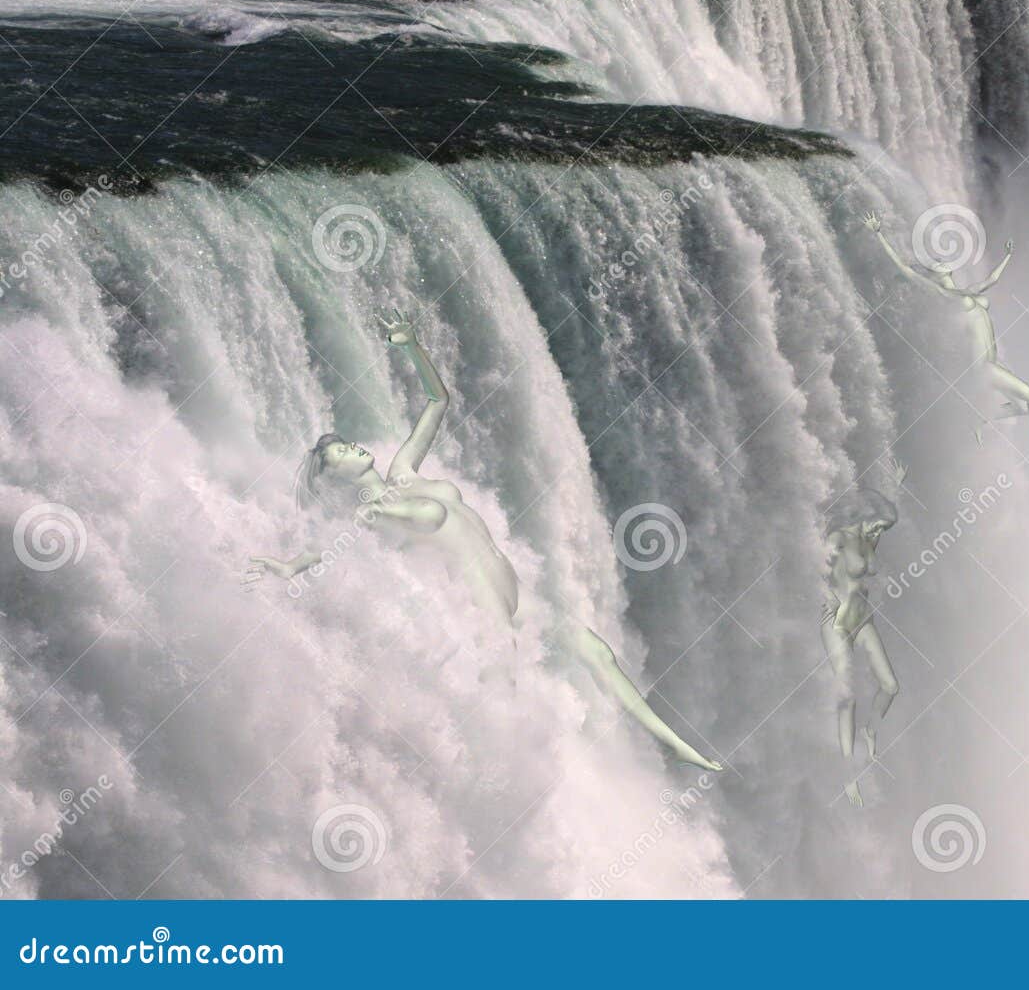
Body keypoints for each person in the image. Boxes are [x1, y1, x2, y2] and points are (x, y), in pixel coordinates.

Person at [244, 309, 723, 772]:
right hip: (490, 613)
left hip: (516, 596)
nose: (350, 446)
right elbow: (334, 546)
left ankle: (674, 744)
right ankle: (507, 807)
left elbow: (438, 402)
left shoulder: (404, 472)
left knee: (598, 652)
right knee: (509, 715)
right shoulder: (370, 513)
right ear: (336, 478)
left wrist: (413, 348)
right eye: (339, 452)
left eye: (345, 441)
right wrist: (290, 567)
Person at [862, 213, 1029, 472]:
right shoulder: (940, 293)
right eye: (935, 263)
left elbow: (992, 280)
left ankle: (978, 420)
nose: (941, 260)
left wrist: (1007, 255)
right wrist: (878, 234)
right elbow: (905, 271)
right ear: (932, 274)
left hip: (992, 362)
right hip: (981, 368)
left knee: (1020, 407)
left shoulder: (965, 292)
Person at [821, 468, 905, 807]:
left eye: (884, 527)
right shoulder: (839, 537)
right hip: (837, 621)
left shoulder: (871, 538)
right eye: (878, 524)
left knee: (890, 686)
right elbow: (814, 562)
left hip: (864, 620)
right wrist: (823, 598)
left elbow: (889, 516)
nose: (880, 531)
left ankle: (870, 730)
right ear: (865, 516)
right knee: (847, 698)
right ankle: (848, 775)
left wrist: (894, 488)